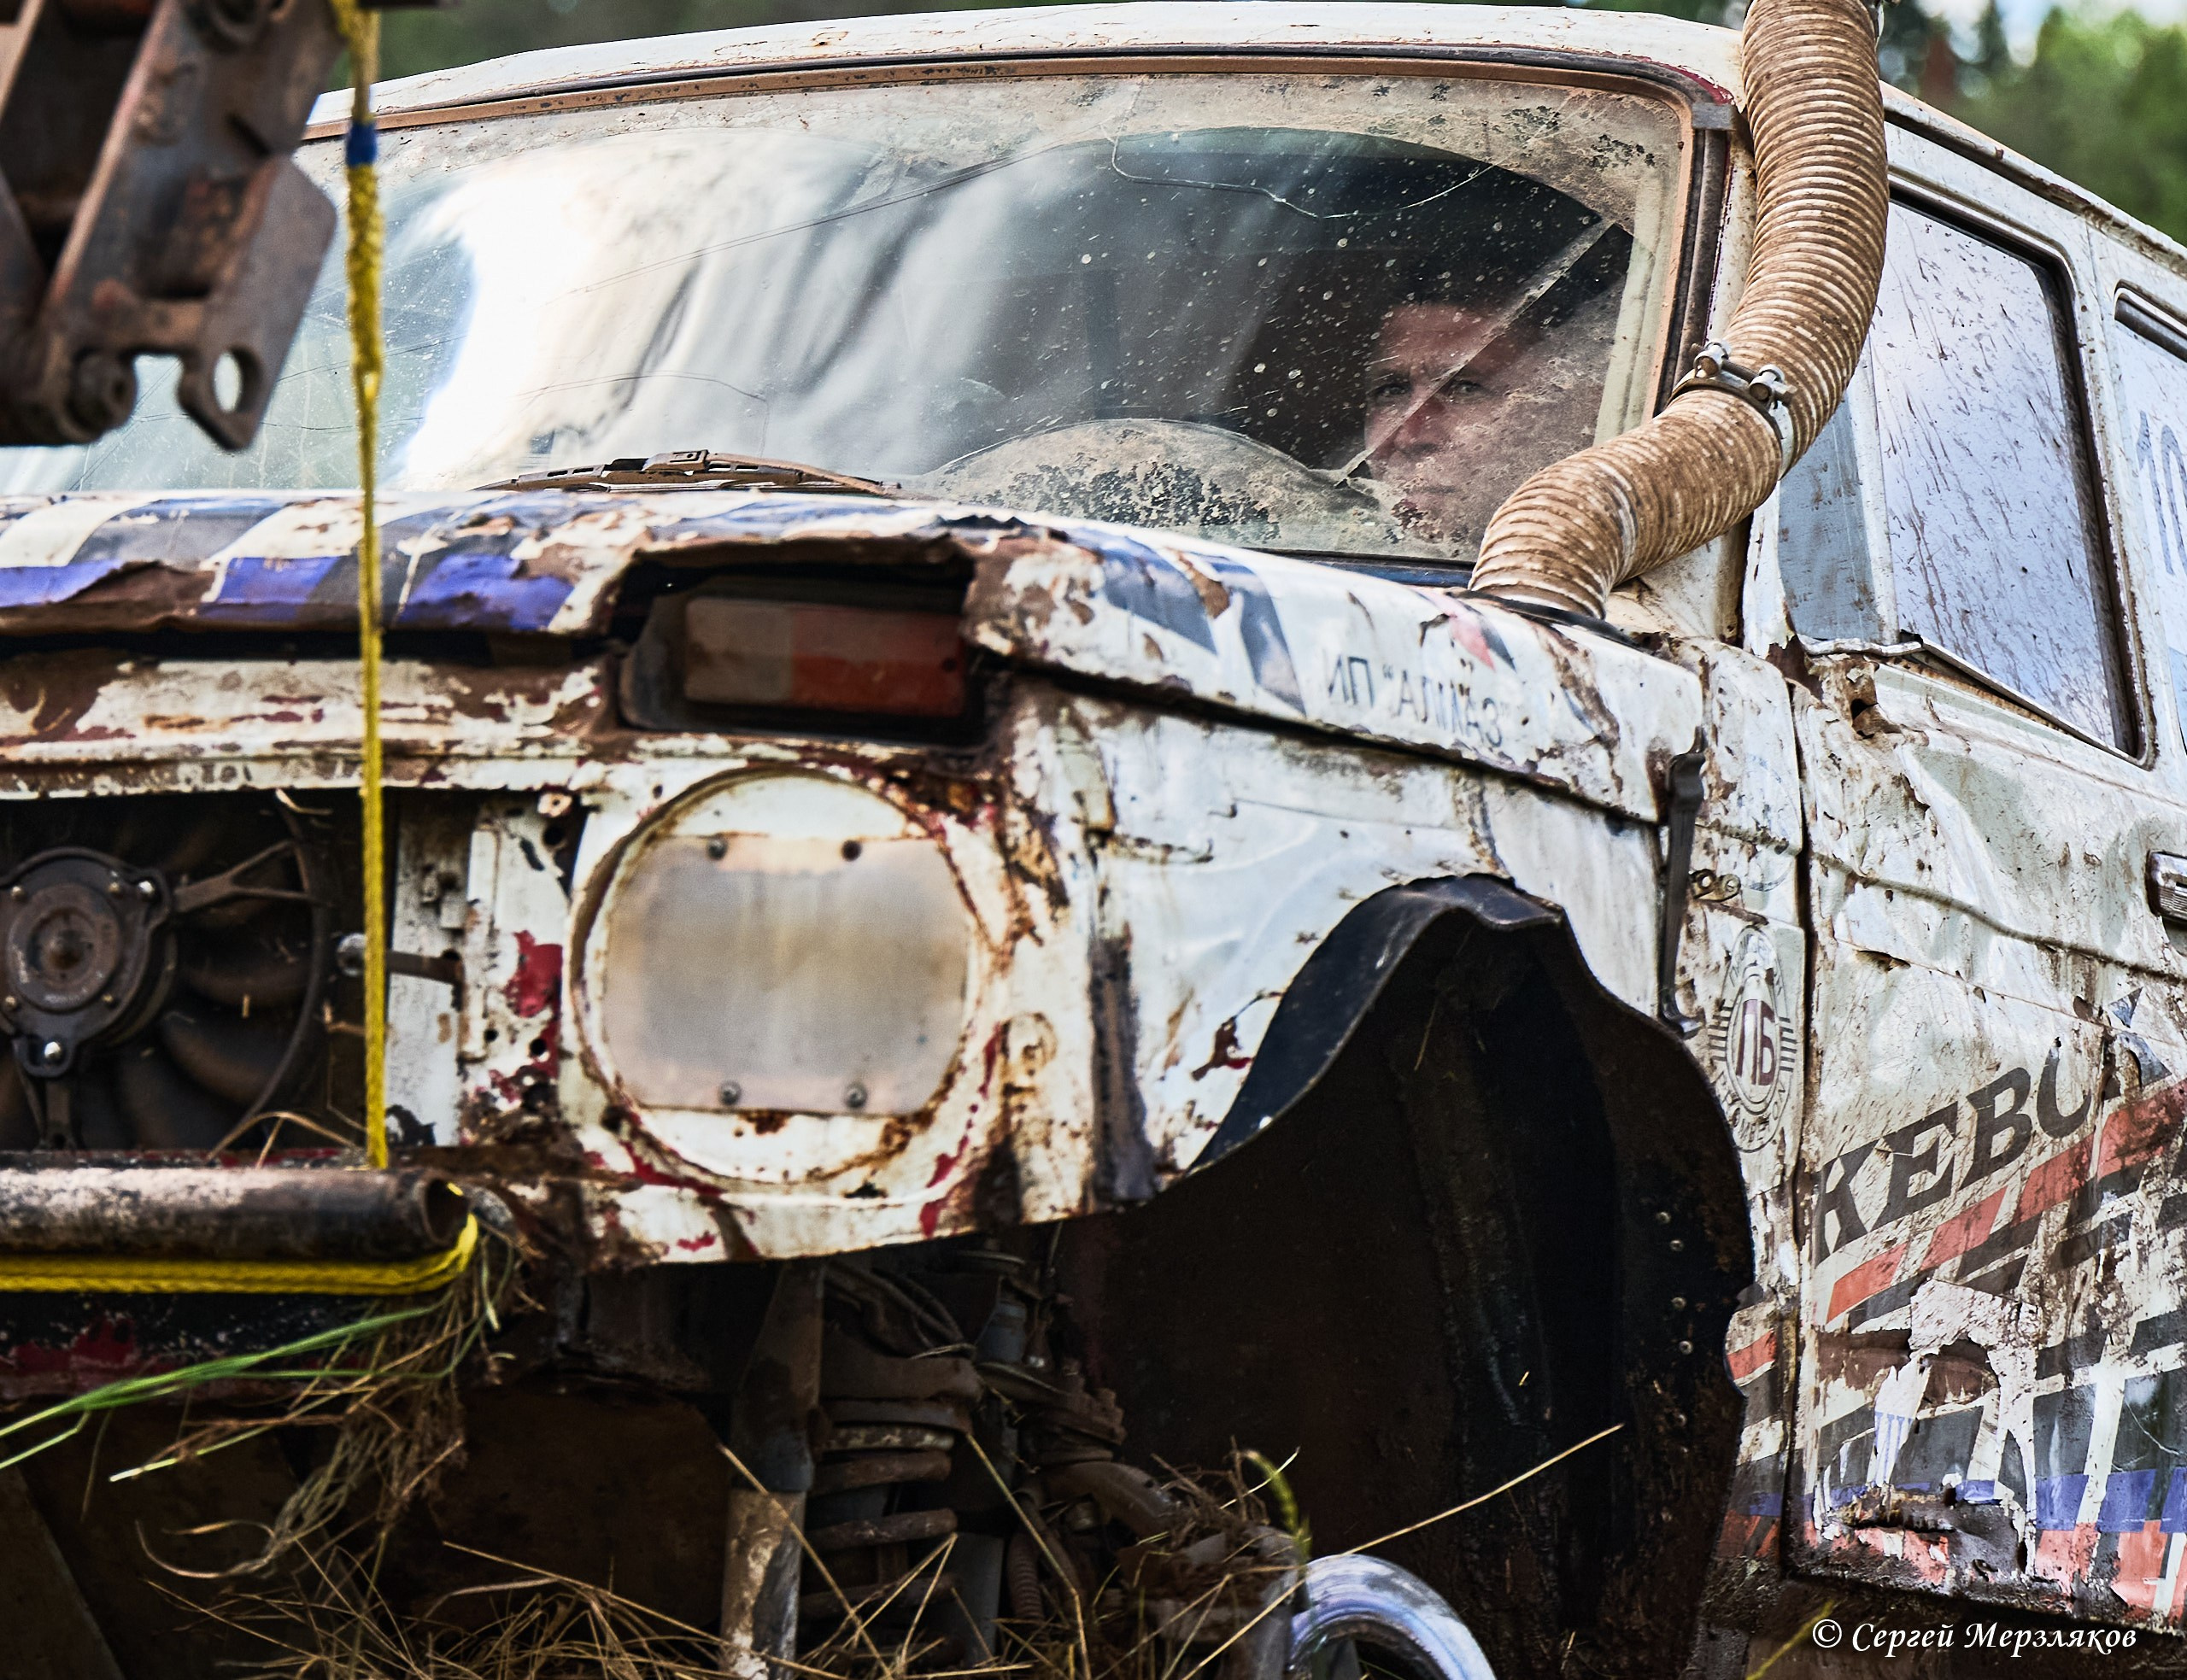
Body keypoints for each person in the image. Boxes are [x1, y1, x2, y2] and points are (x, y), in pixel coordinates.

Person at [1361, 296, 1613, 553]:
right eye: (1392, 392)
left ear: (1576, 409)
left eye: (1467, 389)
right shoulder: (1335, 551)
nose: (1410, 438)